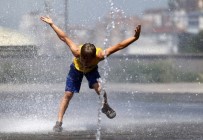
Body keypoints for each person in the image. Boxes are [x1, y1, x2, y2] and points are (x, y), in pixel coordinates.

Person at [40, 16, 141, 132]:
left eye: (88, 60)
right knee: (68, 94)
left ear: (94, 57)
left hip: (92, 71)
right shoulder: (77, 52)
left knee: (100, 89)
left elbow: (119, 46)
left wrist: (135, 37)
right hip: (76, 70)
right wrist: (52, 24)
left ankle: (105, 106)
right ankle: (59, 122)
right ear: (80, 55)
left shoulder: (100, 55)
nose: (85, 62)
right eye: (83, 59)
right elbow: (64, 37)